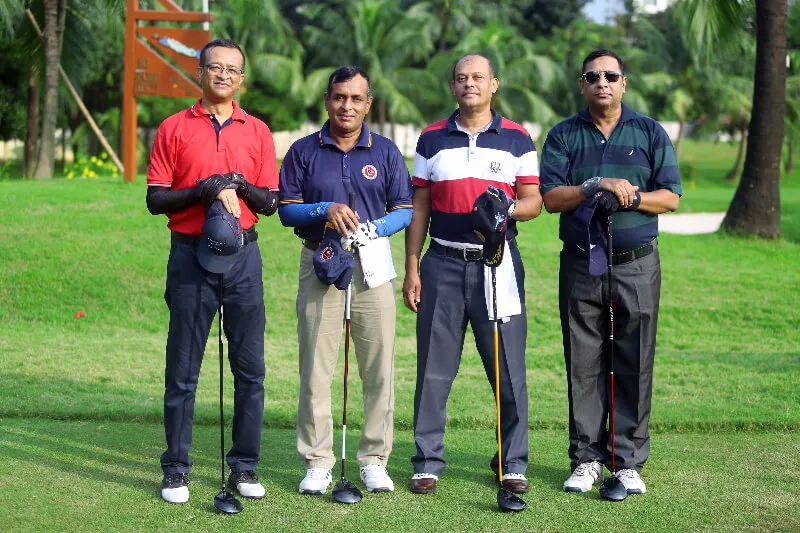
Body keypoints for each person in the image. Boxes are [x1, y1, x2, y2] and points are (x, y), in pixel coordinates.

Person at [538, 49, 682, 496]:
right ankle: (586, 459)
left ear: (623, 83)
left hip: (636, 263)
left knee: (633, 359)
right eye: (593, 76)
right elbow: (550, 198)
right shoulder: (564, 134)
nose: (602, 82)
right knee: (583, 361)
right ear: (582, 85)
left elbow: (671, 197)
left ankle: (627, 463)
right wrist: (596, 184)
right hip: (581, 262)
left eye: (610, 75)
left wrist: (633, 198)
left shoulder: (649, 131)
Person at [145, 39, 279, 505]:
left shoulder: (257, 130)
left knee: (250, 369)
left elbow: (270, 202)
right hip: (189, 255)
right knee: (183, 368)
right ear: (199, 72)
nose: (223, 75)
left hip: (244, 257)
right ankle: (176, 469)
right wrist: (204, 189)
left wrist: (236, 184)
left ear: (242, 79)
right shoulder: (173, 127)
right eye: (214, 67)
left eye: (232, 70)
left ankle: (244, 466)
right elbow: (155, 199)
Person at [402, 54, 542, 495]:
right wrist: (412, 266)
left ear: (493, 84)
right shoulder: (431, 139)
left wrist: (506, 208)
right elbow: (420, 206)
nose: (470, 84)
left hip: (497, 262)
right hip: (441, 262)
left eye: (478, 77)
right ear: (452, 87)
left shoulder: (518, 137)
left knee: (507, 367)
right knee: (434, 368)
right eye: (461, 78)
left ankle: (512, 462)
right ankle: (427, 460)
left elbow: (534, 201)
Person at [278, 65, 413, 495]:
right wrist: (325, 209)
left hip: (372, 263)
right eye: (339, 97)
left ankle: (374, 459)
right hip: (321, 259)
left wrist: (374, 228)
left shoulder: (386, 151)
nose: (347, 106)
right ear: (327, 100)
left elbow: (405, 210)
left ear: (368, 104)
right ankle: (318, 460)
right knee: (316, 367)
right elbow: (287, 210)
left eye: (356, 98)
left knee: (378, 367)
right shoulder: (303, 150)